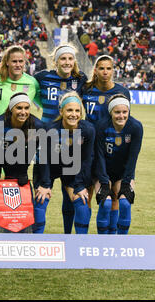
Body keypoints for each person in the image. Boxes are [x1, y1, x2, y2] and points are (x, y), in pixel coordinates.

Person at [0, 92, 46, 232]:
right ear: (11, 109)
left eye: (26, 108)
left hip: (19, 164)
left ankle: (19, 229)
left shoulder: (37, 126)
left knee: (19, 193)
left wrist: (23, 171)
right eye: (19, 108)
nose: (23, 112)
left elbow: (41, 154)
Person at [33, 91, 95, 234]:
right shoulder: (50, 130)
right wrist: (45, 184)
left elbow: (85, 160)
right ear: (61, 111)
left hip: (72, 168)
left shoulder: (88, 130)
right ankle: (36, 240)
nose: (73, 114)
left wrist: (79, 185)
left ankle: (79, 243)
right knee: (41, 199)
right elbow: (44, 160)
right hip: (48, 168)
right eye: (69, 110)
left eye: (77, 110)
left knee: (81, 201)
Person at [93, 94, 143, 235]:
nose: (121, 116)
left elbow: (133, 158)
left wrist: (126, 183)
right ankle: (103, 241)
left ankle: (120, 242)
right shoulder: (101, 126)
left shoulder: (136, 127)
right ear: (111, 112)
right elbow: (99, 156)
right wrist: (103, 182)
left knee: (125, 203)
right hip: (103, 172)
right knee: (106, 202)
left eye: (124, 112)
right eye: (117, 112)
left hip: (123, 173)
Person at [0, 45, 42, 127]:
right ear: (7, 62)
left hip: (19, 134)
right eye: (14, 61)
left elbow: (44, 103)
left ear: (24, 62)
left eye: (21, 61)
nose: (18, 65)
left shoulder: (32, 83)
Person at [34, 43, 88, 123]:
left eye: (70, 59)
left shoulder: (80, 78)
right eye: (63, 59)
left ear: (74, 61)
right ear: (56, 61)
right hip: (47, 129)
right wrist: (40, 103)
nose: (67, 62)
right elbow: (30, 88)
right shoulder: (43, 77)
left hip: (71, 130)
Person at [82, 55, 131, 125]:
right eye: (101, 68)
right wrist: (75, 135)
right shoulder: (86, 89)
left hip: (110, 135)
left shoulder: (122, 92)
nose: (105, 72)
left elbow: (126, 121)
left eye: (108, 68)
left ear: (112, 71)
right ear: (95, 71)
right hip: (90, 135)